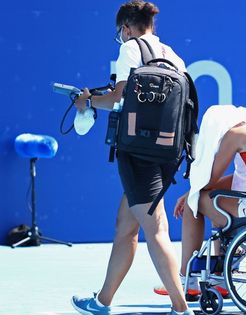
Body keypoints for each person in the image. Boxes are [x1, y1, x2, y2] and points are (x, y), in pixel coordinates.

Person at [70, 1, 193, 314]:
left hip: (138, 153)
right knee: (125, 227)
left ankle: (181, 308)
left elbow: (116, 99)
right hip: (168, 153)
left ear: (126, 28)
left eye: (120, 32)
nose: (121, 37)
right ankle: (102, 301)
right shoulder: (173, 55)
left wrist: (87, 102)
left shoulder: (128, 50)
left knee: (156, 231)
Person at [152, 105, 246, 299]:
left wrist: (190, 193)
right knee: (215, 199)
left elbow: (209, 178)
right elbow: (244, 178)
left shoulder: (236, 134)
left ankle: (186, 278)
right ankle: (220, 276)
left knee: (197, 201)